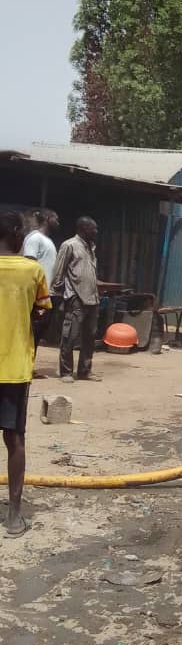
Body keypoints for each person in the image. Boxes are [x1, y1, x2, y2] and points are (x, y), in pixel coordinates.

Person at [0, 210, 52, 536]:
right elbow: (43, 313)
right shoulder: (32, 271)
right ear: (18, 234)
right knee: (14, 438)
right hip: (14, 368)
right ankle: (14, 516)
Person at [52, 216, 101, 383]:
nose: (96, 231)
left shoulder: (91, 248)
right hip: (76, 298)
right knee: (70, 337)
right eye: (93, 228)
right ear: (83, 229)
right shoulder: (69, 245)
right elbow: (58, 272)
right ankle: (66, 372)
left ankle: (84, 371)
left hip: (93, 299)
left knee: (90, 337)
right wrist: (61, 294)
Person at [23, 209, 60, 376]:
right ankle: (24, 367)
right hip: (35, 295)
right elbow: (29, 263)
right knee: (30, 332)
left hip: (45, 294)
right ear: (46, 218)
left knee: (37, 333)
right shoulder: (35, 238)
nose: (58, 222)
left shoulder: (47, 241)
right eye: (55, 219)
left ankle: (29, 367)